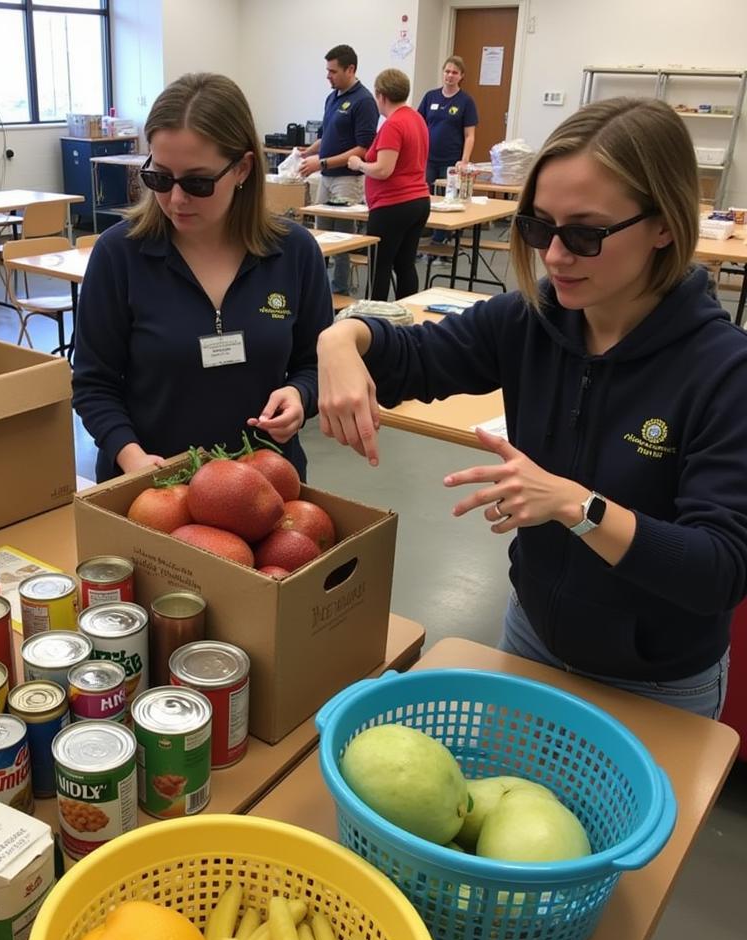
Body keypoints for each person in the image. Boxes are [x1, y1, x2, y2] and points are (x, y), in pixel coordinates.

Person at [317, 97, 747, 719]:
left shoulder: (723, 370)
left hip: (656, 683)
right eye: (539, 227)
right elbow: (414, 356)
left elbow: (720, 571)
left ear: (665, 226)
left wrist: (578, 507)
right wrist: (341, 339)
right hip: (532, 638)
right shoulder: (531, 320)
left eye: (585, 233)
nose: (554, 255)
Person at [72, 73, 332, 483]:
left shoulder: (295, 253)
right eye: (159, 177)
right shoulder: (119, 254)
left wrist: (301, 396)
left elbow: (315, 363)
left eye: (198, 181)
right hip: (155, 490)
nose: (176, 199)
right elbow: (92, 382)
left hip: (264, 488)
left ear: (243, 167)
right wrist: (131, 456)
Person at [299, 45, 378, 296]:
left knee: (342, 239)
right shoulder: (332, 97)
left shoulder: (364, 101)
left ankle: (340, 290)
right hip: (327, 177)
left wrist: (321, 163)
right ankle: (318, 290)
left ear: (350, 69)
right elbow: (327, 137)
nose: (328, 76)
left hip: (347, 179)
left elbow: (363, 149)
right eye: (327, 70)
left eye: (333, 71)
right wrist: (307, 152)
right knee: (321, 237)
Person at [347, 69, 430, 301]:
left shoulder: (393, 125)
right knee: (405, 265)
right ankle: (407, 318)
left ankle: (374, 323)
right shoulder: (417, 119)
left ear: (381, 95)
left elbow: (384, 169)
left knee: (379, 267)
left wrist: (359, 164)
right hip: (418, 201)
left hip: (393, 205)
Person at [417, 55, 478, 247]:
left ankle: (441, 240)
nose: (449, 75)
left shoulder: (465, 101)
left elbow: (470, 135)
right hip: (428, 158)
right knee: (423, 196)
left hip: (451, 160)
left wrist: (464, 160)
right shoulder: (430, 97)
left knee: (447, 199)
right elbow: (418, 125)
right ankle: (423, 237)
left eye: (454, 73)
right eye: (447, 71)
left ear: (461, 76)